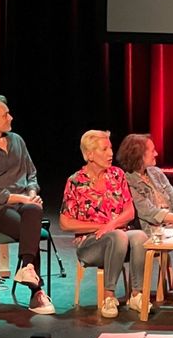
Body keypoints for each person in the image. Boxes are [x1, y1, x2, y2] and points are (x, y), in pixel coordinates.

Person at [0, 95, 54, 314]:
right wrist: (22, 199)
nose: (10, 117)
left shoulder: (17, 141)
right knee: (31, 229)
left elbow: (31, 173)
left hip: (24, 204)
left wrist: (31, 194)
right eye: (5, 114)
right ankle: (36, 294)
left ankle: (27, 269)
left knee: (33, 210)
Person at [60, 130, 147, 319]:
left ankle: (137, 294)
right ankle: (109, 296)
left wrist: (111, 225)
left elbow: (130, 212)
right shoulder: (75, 181)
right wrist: (99, 227)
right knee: (118, 235)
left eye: (111, 148)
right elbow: (65, 223)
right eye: (104, 149)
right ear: (90, 154)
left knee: (139, 236)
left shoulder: (117, 175)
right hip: (90, 245)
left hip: (118, 236)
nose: (110, 154)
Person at [116, 134, 173, 301]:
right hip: (152, 232)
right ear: (139, 155)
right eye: (152, 151)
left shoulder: (156, 173)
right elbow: (151, 213)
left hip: (171, 226)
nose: (156, 153)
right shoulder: (127, 181)